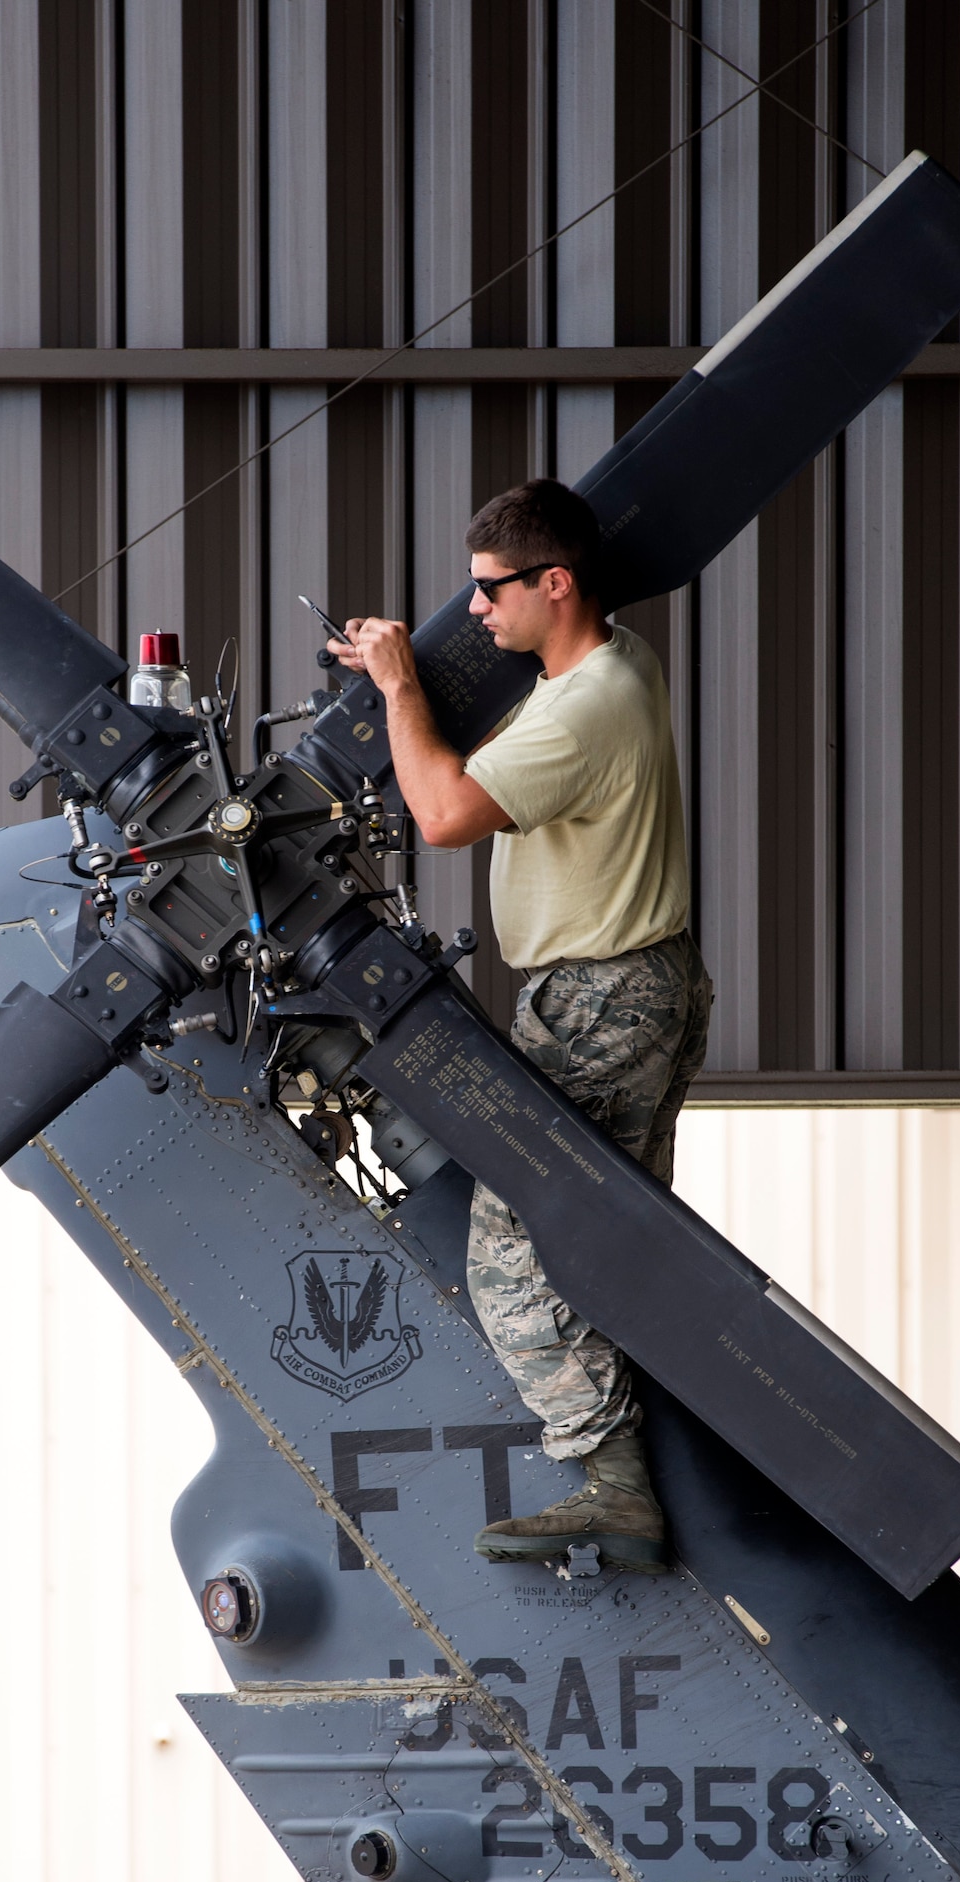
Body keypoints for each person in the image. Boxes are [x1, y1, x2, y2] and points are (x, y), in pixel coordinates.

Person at [328, 478, 712, 1576]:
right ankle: (640, 1449)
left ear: (556, 583)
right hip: (638, 981)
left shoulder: (588, 707)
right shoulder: (604, 665)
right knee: (611, 1239)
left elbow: (443, 815)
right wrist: (400, 684)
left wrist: (403, 688)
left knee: (516, 1243)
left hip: (599, 995)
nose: (478, 611)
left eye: (492, 591)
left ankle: (610, 1479)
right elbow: (504, 746)